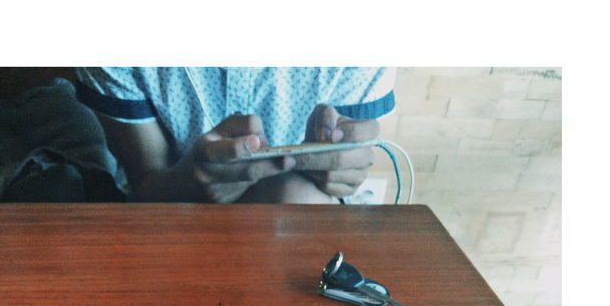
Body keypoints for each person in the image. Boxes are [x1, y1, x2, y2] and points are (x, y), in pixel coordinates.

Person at [73, 67, 395, 203]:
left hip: (305, 231)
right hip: (169, 226)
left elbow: (347, 174)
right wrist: (190, 181)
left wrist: (345, 171)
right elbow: (145, 183)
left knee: (297, 195)